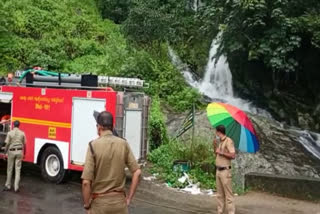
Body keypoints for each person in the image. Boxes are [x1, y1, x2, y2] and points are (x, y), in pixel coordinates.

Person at [82, 111, 141, 214]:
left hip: (99, 205)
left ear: (98, 127)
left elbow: (86, 183)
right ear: (112, 126)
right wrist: (129, 199)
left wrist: (87, 206)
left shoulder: (93, 146)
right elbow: (137, 172)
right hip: (120, 205)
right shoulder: (123, 144)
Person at [213, 125, 236, 214]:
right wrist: (214, 146)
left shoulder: (228, 141)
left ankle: (231, 212)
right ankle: (220, 211)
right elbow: (216, 153)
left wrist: (221, 152)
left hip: (225, 171)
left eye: (216, 132)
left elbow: (233, 155)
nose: (216, 133)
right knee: (219, 194)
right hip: (218, 170)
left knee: (228, 195)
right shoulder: (220, 142)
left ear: (219, 132)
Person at [3, 120, 26, 192]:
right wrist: (24, 153)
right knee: (18, 170)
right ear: (19, 125)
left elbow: (7, 144)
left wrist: (5, 152)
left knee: (9, 169)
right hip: (19, 152)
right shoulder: (22, 133)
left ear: (13, 125)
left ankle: (8, 186)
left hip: (11, 152)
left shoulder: (10, 133)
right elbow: (25, 145)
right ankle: (16, 187)